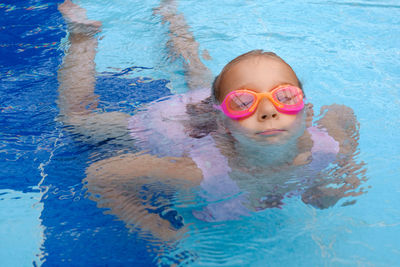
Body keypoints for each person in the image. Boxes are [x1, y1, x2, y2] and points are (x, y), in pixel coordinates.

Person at [57, 0, 366, 241]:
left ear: (306, 112)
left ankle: (172, 15)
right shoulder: (198, 173)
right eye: (246, 103)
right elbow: (101, 177)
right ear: (224, 125)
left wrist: (346, 171)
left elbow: (342, 113)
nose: (269, 111)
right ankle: (83, 38)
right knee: (76, 120)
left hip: (216, 103)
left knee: (197, 72)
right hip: (172, 125)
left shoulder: (326, 146)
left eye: (285, 97)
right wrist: (162, 233)